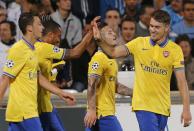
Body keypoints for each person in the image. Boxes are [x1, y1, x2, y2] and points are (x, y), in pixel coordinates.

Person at [93, 10, 192, 130]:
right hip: (143, 105)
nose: (152, 30)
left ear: (166, 28)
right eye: (151, 26)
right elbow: (113, 52)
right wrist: (99, 40)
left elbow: (182, 81)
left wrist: (186, 109)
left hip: (163, 106)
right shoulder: (139, 43)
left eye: (157, 27)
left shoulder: (175, 50)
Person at [0, 12, 75, 131]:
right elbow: (5, 78)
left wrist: (60, 93)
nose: (42, 27)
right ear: (30, 28)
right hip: (24, 110)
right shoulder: (18, 49)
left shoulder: (33, 49)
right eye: (39, 24)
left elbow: (39, 77)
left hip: (24, 111)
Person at [35, 16, 94, 130]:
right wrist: (91, 32)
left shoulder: (36, 48)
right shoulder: (45, 48)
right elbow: (75, 53)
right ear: (51, 35)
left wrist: (55, 69)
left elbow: (43, 79)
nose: (59, 40)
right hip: (41, 106)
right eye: (58, 36)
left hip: (43, 104)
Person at [84, 25, 133, 131]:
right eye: (109, 32)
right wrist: (92, 110)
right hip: (101, 114)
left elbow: (115, 86)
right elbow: (91, 84)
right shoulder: (98, 58)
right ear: (101, 38)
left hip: (104, 114)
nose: (114, 34)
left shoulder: (111, 60)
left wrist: (135, 93)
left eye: (114, 32)